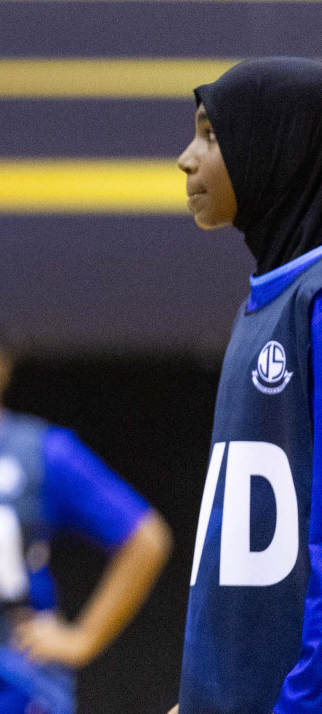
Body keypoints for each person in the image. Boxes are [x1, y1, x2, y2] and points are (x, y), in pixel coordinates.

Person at [0, 300, 171, 714]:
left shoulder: (41, 451)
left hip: (14, 682)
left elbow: (145, 540)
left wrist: (82, 639)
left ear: (2, 364)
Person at [172, 58, 322, 714]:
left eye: (210, 134)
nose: (186, 158)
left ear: (280, 145)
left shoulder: (316, 302)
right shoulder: (268, 299)